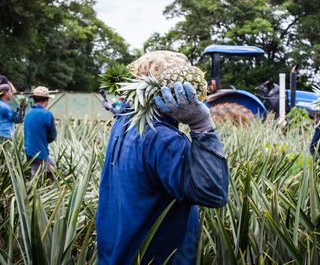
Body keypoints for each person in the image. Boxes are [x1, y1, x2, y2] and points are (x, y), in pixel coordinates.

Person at [96, 53, 229, 265]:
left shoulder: (122, 123)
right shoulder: (164, 139)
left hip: (116, 253)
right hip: (156, 257)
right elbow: (214, 194)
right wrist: (202, 126)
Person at [24, 86, 57, 179]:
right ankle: (31, 192)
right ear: (47, 100)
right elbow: (52, 135)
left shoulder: (29, 113)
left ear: (34, 99)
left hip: (29, 152)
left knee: (52, 168)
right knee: (35, 178)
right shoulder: (47, 114)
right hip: (40, 153)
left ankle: (48, 187)